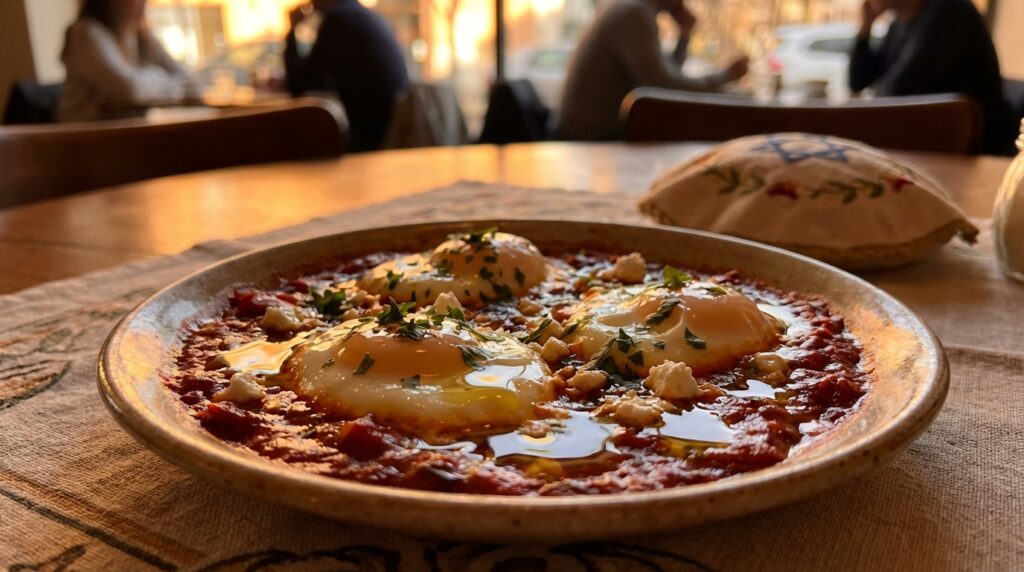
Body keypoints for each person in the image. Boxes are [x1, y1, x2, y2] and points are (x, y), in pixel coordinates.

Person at [556, 0, 748, 141]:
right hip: (590, 138)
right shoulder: (633, 13)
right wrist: (726, 76)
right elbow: (664, 86)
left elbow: (666, 79)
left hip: (594, 133)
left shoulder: (631, 9)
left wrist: (684, 35)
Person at [849, 0, 1016, 154]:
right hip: (936, 148)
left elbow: (898, 92)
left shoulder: (949, 11)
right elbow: (858, 81)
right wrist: (866, 26)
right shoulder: (899, 24)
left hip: (979, 154)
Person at [284, 0, 410, 152]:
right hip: (393, 131)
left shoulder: (338, 19)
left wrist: (292, 29)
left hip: (374, 140)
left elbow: (300, 86)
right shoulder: (363, 15)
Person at [59, 0, 189, 122]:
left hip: (125, 133)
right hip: (85, 139)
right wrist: (162, 77)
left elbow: (185, 76)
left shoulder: (139, 35)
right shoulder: (85, 33)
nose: (143, 2)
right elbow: (130, 89)